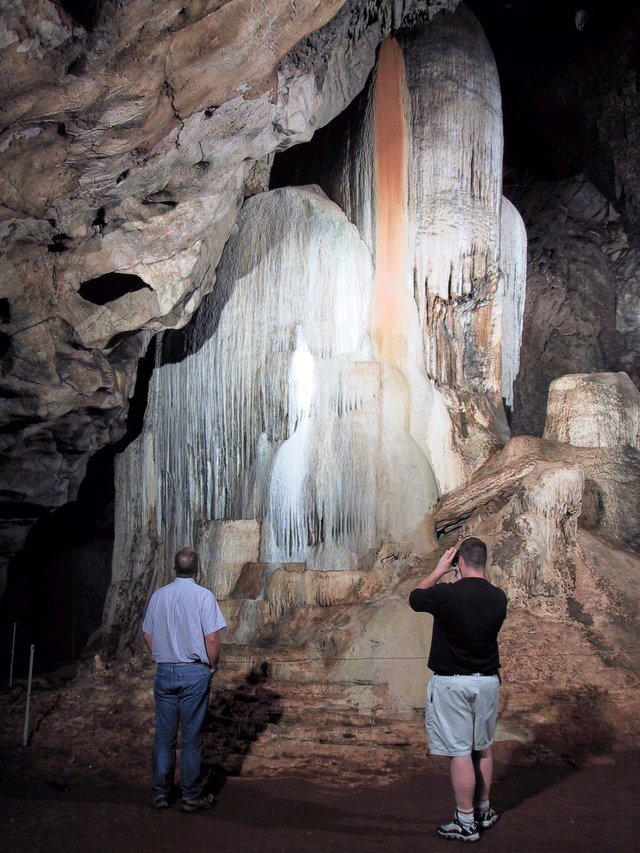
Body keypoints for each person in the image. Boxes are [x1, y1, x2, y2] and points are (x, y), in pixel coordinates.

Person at [409, 537, 507, 843]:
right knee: (484, 746)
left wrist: (439, 570)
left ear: (460, 562)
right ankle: (484, 810)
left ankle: (465, 822)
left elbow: (415, 598)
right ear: (484, 562)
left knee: (460, 752)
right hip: (487, 680)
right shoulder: (499, 597)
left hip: (453, 682)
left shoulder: (446, 595)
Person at [142, 547, 227, 812]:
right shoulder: (203, 596)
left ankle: (160, 794)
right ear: (198, 569)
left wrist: (162, 654)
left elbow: (147, 634)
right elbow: (212, 638)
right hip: (194, 672)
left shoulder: (159, 596)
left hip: (165, 670)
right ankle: (190, 797)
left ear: (173, 567)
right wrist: (212, 665)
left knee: (164, 738)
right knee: (191, 738)